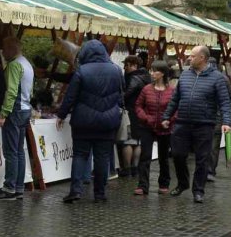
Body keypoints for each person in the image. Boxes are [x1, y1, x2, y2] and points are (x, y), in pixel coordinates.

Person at [161, 45, 231, 204]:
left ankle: (198, 190)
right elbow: (175, 99)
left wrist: (227, 122)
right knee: (178, 155)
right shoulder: (185, 75)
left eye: (193, 56)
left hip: (204, 124)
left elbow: (225, 102)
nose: (189, 58)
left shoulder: (217, 78)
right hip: (182, 123)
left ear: (202, 58)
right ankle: (183, 182)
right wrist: (167, 116)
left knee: (202, 159)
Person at [56, 39, 124, 203]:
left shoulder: (82, 71)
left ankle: (76, 191)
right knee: (102, 157)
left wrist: (62, 114)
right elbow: (122, 96)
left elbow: (70, 96)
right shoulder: (116, 70)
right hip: (108, 122)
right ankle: (100, 193)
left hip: (83, 121)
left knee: (80, 156)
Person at [0, 37, 34, 201]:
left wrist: (3, 114)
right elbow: (30, 91)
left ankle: (9, 188)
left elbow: (11, 91)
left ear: (11, 49)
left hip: (15, 111)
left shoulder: (14, 65)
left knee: (11, 152)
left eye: (4, 50)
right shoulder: (27, 64)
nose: (2, 53)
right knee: (19, 150)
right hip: (25, 110)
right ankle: (19, 188)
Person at [133, 61, 175, 196]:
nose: (151, 73)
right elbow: (138, 106)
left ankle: (164, 183)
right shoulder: (146, 89)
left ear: (162, 73)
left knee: (163, 157)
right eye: (151, 70)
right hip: (147, 127)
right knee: (145, 156)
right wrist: (146, 118)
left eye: (154, 71)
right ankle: (143, 185)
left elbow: (176, 109)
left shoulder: (172, 91)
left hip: (165, 128)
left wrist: (169, 120)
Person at [119, 54, 151, 178]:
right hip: (141, 112)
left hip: (131, 112)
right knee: (137, 142)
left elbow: (126, 94)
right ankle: (135, 168)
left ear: (134, 65)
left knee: (128, 141)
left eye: (126, 65)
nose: (124, 68)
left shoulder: (134, 78)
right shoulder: (145, 76)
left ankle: (127, 169)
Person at [208, 63, 231, 182]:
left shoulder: (221, 79)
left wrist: (227, 120)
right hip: (213, 117)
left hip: (215, 117)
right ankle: (208, 171)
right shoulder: (223, 78)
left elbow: (230, 101)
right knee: (211, 146)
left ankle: (209, 171)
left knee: (212, 146)